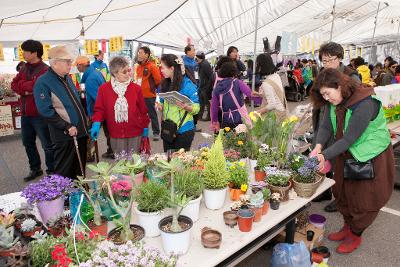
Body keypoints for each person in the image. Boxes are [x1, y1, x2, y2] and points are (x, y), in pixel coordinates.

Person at [311, 68, 394, 254]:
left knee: (363, 197)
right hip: (346, 152)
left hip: (369, 156)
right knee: (342, 191)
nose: (326, 98)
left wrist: (323, 156)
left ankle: (356, 233)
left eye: (327, 93)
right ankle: (348, 227)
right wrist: (318, 146)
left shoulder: (364, 103)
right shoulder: (336, 100)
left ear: (339, 86)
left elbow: (349, 139)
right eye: (322, 95)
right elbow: (325, 126)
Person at [312, 41, 361, 212]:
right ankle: (325, 190)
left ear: (340, 58)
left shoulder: (351, 76)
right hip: (325, 120)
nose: (326, 64)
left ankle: (339, 197)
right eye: (323, 61)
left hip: (341, 126)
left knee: (338, 161)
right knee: (320, 155)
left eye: (330, 60)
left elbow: (354, 105)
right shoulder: (323, 73)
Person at [34, 46, 88, 180]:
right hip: (65, 135)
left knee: (80, 169)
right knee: (65, 171)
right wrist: (66, 126)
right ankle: (64, 200)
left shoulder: (67, 78)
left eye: (70, 61)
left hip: (80, 132)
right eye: (67, 61)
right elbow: (45, 111)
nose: (71, 64)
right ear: (55, 63)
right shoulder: (43, 82)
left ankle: (79, 197)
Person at [11, 39, 55, 181]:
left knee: (47, 145)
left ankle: (52, 171)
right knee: (27, 143)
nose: (22, 53)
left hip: (40, 114)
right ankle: (35, 169)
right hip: (25, 114)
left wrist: (24, 87)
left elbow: (37, 87)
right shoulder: (24, 68)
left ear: (34, 53)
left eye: (25, 51)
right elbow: (14, 84)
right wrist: (26, 89)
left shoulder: (45, 69)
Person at [90, 56, 149, 155]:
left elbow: (143, 110)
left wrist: (145, 127)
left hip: (135, 132)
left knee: (135, 164)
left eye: (128, 70)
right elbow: (100, 109)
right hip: (115, 133)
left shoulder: (135, 88)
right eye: (124, 72)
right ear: (115, 73)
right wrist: (96, 123)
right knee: (120, 163)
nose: (128, 74)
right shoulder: (104, 89)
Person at [157, 54, 199, 152]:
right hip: (168, 129)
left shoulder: (188, 85)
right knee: (168, 160)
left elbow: (197, 109)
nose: (161, 71)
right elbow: (162, 102)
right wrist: (160, 106)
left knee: (181, 163)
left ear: (172, 68)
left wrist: (186, 107)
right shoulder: (165, 83)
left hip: (184, 130)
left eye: (163, 68)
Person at [74, 56, 110, 161]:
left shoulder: (90, 79)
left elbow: (97, 98)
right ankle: (112, 151)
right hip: (105, 108)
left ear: (81, 65)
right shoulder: (96, 73)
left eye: (77, 65)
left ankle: (89, 155)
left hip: (96, 111)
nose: (76, 68)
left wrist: (94, 115)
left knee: (89, 134)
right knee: (108, 132)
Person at [210, 56, 252, 130]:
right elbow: (250, 94)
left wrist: (214, 121)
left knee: (228, 140)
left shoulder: (217, 88)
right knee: (242, 140)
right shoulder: (238, 82)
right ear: (234, 71)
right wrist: (260, 97)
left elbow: (214, 107)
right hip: (240, 118)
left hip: (226, 120)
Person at [136, 46, 162, 140]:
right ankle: (143, 131)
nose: (139, 54)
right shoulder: (138, 67)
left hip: (149, 95)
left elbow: (158, 80)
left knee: (152, 114)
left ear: (147, 54)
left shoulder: (152, 66)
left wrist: (151, 88)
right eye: (138, 52)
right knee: (141, 115)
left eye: (141, 53)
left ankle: (156, 132)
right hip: (139, 95)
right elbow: (138, 80)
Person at [253, 53, 288, 118]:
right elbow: (275, 94)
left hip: (275, 115)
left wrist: (258, 112)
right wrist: (258, 94)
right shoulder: (276, 76)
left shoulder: (266, 83)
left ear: (261, 65)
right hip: (282, 110)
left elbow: (272, 104)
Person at [196, 51, 213, 121]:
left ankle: (209, 116)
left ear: (198, 57)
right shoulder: (201, 64)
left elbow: (211, 76)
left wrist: (208, 87)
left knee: (206, 102)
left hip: (205, 87)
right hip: (202, 86)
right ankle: (200, 116)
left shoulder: (205, 64)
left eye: (196, 57)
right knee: (201, 102)